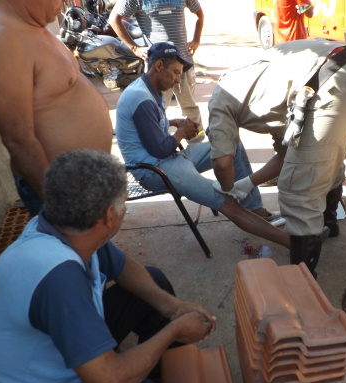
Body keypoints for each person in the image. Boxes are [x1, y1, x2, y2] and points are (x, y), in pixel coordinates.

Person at [0, 149, 216, 383]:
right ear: (110, 216)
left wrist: (174, 308)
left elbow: (125, 269)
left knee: (152, 282)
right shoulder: (57, 276)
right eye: (124, 205)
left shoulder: (66, 231)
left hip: (52, 365)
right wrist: (175, 329)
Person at [207, 38, 346, 277]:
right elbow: (287, 154)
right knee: (323, 161)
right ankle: (329, 224)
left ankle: (303, 280)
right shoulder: (258, 90)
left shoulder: (220, 100)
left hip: (329, 80)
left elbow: (222, 163)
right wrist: (248, 183)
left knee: (298, 189)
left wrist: (227, 188)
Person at [116, 42, 290, 249]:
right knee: (227, 202)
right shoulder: (140, 97)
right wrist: (182, 133)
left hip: (170, 159)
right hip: (154, 170)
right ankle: (295, 244)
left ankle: (254, 209)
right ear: (159, 66)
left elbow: (149, 129)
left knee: (231, 147)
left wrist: (172, 123)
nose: (178, 79)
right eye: (175, 73)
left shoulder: (148, 90)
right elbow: (159, 149)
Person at [0, 0, 114, 217]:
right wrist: (62, 215)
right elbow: (18, 140)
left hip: (86, 184)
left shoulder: (32, 26)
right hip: (63, 194)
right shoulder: (0, 39)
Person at [109, 0, 204, 138]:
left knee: (189, 106)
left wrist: (196, 40)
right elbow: (114, 19)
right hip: (158, 68)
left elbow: (200, 15)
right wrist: (134, 47)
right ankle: (160, 145)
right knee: (156, 108)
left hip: (183, 63)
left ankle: (197, 145)